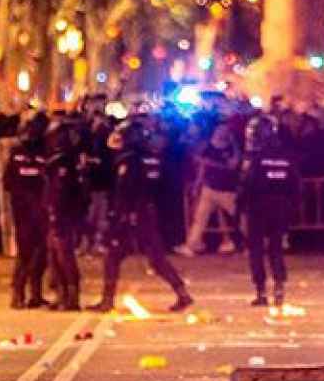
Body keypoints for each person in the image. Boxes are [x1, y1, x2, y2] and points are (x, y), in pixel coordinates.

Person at [90, 117, 194, 312]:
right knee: (155, 258)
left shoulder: (130, 160)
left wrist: (120, 217)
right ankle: (182, 293)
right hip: (145, 213)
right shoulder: (150, 157)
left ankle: (107, 300)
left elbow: (126, 191)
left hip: (133, 216)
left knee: (114, 257)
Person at [238, 114, 300, 307]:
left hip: (258, 208)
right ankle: (279, 287)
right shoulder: (287, 156)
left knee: (256, 250)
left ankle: (261, 292)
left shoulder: (256, 159)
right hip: (280, 209)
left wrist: (239, 207)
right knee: (276, 249)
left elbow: (247, 185)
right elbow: (295, 185)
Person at [4, 112, 50, 309]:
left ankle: (28, 293)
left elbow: (7, 182)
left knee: (31, 253)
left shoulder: (18, 153)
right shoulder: (43, 153)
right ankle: (22, 293)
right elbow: (8, 181)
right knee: (33, 252)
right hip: (32, 210)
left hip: (26, 209)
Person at [43, 118, 88, 311]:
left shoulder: (64, 161)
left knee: (64, 255)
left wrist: (54, 211)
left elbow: (59, 190)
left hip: (62, 213)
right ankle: (62, 294)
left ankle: (71, 296)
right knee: (54, 255)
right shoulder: (67, 159)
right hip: (61, 211)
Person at [182, 122, 242, 255]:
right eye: (219, 129)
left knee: (240, 216)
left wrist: (212, 163)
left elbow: (233, 164)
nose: (221, 132)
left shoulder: (232, 147)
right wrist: (198, 184)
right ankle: (192, 245)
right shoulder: (207, 146)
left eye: (225, 129)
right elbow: (201, 167)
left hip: (226, 189)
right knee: (200, 218)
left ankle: (256, 241)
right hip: (209, 189)